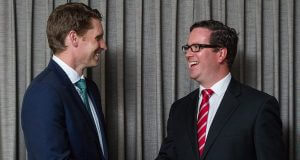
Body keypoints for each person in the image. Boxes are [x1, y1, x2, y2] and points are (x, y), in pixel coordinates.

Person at [156, 20, 284, 160]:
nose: (188, 54)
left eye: (196, 47)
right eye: (187, 47)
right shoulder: (179, 108)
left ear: (221, 53)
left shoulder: (260, 106)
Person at [21, 2, 108, 160]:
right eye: (98, 38)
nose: (104, 46)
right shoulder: (42, 93)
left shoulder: (91, 89)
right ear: (74, 38)